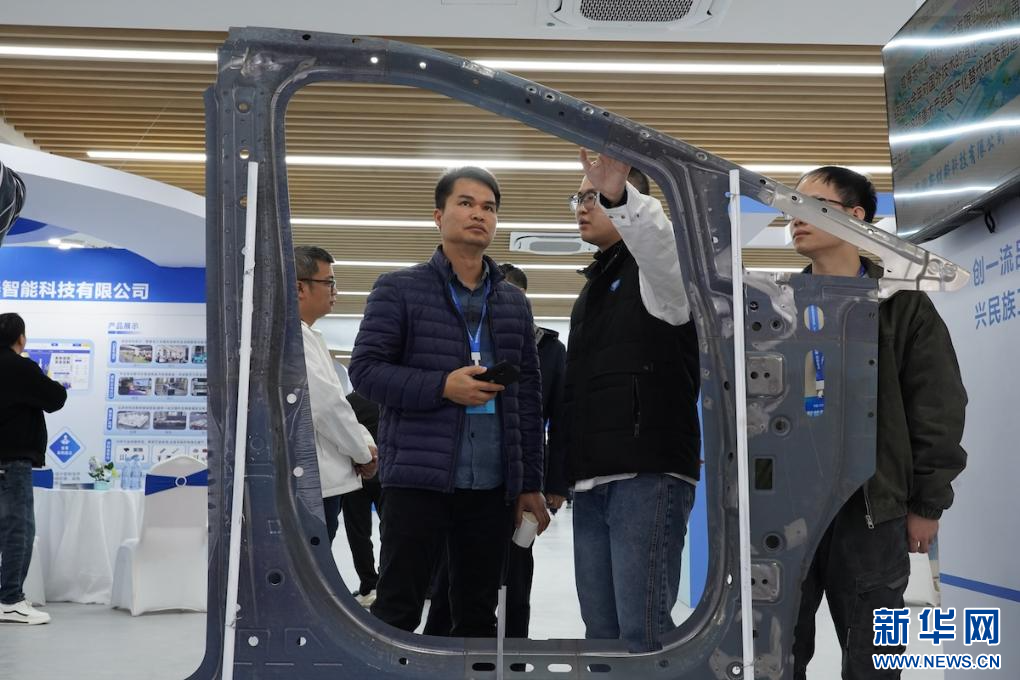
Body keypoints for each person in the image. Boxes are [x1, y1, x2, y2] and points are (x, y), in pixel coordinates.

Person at [349, 166, 550, 637]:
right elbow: (366, 372)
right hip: (418, 479)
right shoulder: (399, 289)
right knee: (398, 609)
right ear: (438, 216)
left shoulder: (513, 303)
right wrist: (443, 386)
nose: (479, 214)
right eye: (466, 203)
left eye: (489, 207)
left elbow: (527, 397)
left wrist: (529, 482)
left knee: (477, 614)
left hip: (492, 486)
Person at [787, 166, 968, 680]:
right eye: (791, 206)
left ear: (855, 216)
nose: (794, 217)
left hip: (870, 512)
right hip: (787, 513)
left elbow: (937, 407)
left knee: (874, 664)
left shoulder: (902, 306)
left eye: (813, 205)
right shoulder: (779, 306)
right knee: (774, 659)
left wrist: (927, 504)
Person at [563, 150, 700, 652]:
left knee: (643, 632)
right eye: (579, 197)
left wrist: (620, 196)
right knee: (601, 635)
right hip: (591, 480)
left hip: (646, 475)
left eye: (593, 197)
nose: (583, 206)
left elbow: (661, 247)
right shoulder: (593, 290)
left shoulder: (658, 277)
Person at [424, 262, 569, 638]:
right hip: (464, 476)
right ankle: (440, 649)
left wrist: (554, 483)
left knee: (517, 575)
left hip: (519, 478)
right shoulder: (464, 340)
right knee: (452, 574)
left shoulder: (551, 350)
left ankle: (514, 655)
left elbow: (559, 419)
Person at [295, 245, 378, 545]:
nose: (335, 291)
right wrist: (363, 453)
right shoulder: (295, 340)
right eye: (329, 282)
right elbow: (327, 407)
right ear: (299, 288)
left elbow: (336, 404)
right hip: (313, 484)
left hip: (319, 480)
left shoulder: (307, 336)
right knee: (312, 563)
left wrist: (364, 445)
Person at [0, 312, 67, 625]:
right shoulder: (19, 367)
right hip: (12, 462)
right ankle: (10, 600)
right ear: (21, 338)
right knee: (19, 530)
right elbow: (55, 398)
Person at [341, 388, 383, 608]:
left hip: (356, 475)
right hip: (386, 476)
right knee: (391, 532)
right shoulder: (386, 400)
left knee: (358, 534)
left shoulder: (348, 402)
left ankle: (369, 585)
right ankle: (386, 582)